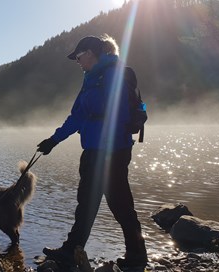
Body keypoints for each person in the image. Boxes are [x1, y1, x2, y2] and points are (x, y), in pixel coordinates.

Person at [36, 35, 148, 271]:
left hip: (113, 152)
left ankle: (137, 255)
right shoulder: (91, 78)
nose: (77, 61)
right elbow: (77, 116)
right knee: (87, 203)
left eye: (78, 56)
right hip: (94, 150)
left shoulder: (112, 75)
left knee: (119, 204)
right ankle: (71, 250)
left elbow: (120, 114)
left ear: (91, 53)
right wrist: (53, 140)